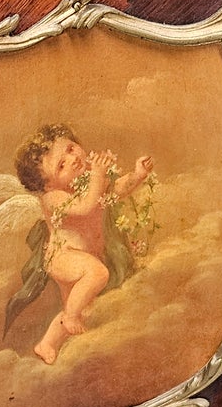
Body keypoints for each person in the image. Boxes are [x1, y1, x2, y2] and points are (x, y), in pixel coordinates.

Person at [9, 124, 153, 364]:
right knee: (97, 274)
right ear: (47, 184)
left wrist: (137, 175)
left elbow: (115, 192)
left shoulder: (87, 182)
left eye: (71, 148)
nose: (72, 159)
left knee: (78, 308)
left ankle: (46, 344)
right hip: (63, 257)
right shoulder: (53, 197)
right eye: (61, 165)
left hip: (82, 255)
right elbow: (85, 206)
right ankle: (70, 317)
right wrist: (98, 175)